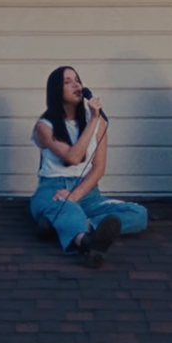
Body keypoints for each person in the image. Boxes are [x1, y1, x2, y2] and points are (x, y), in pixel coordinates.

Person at [30, 66, 148, 267]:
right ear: (56, 90)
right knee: (67, 208)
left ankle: (72, 226)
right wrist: (93, 119)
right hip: (53, 190)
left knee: (139, 214)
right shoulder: (45, 126)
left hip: (88, 194)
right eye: (68, 82)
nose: (76, 85)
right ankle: (87, 243)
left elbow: (99, 167)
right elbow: (73, 157)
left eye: (77, 80)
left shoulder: (99, 123)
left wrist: (76, 196)